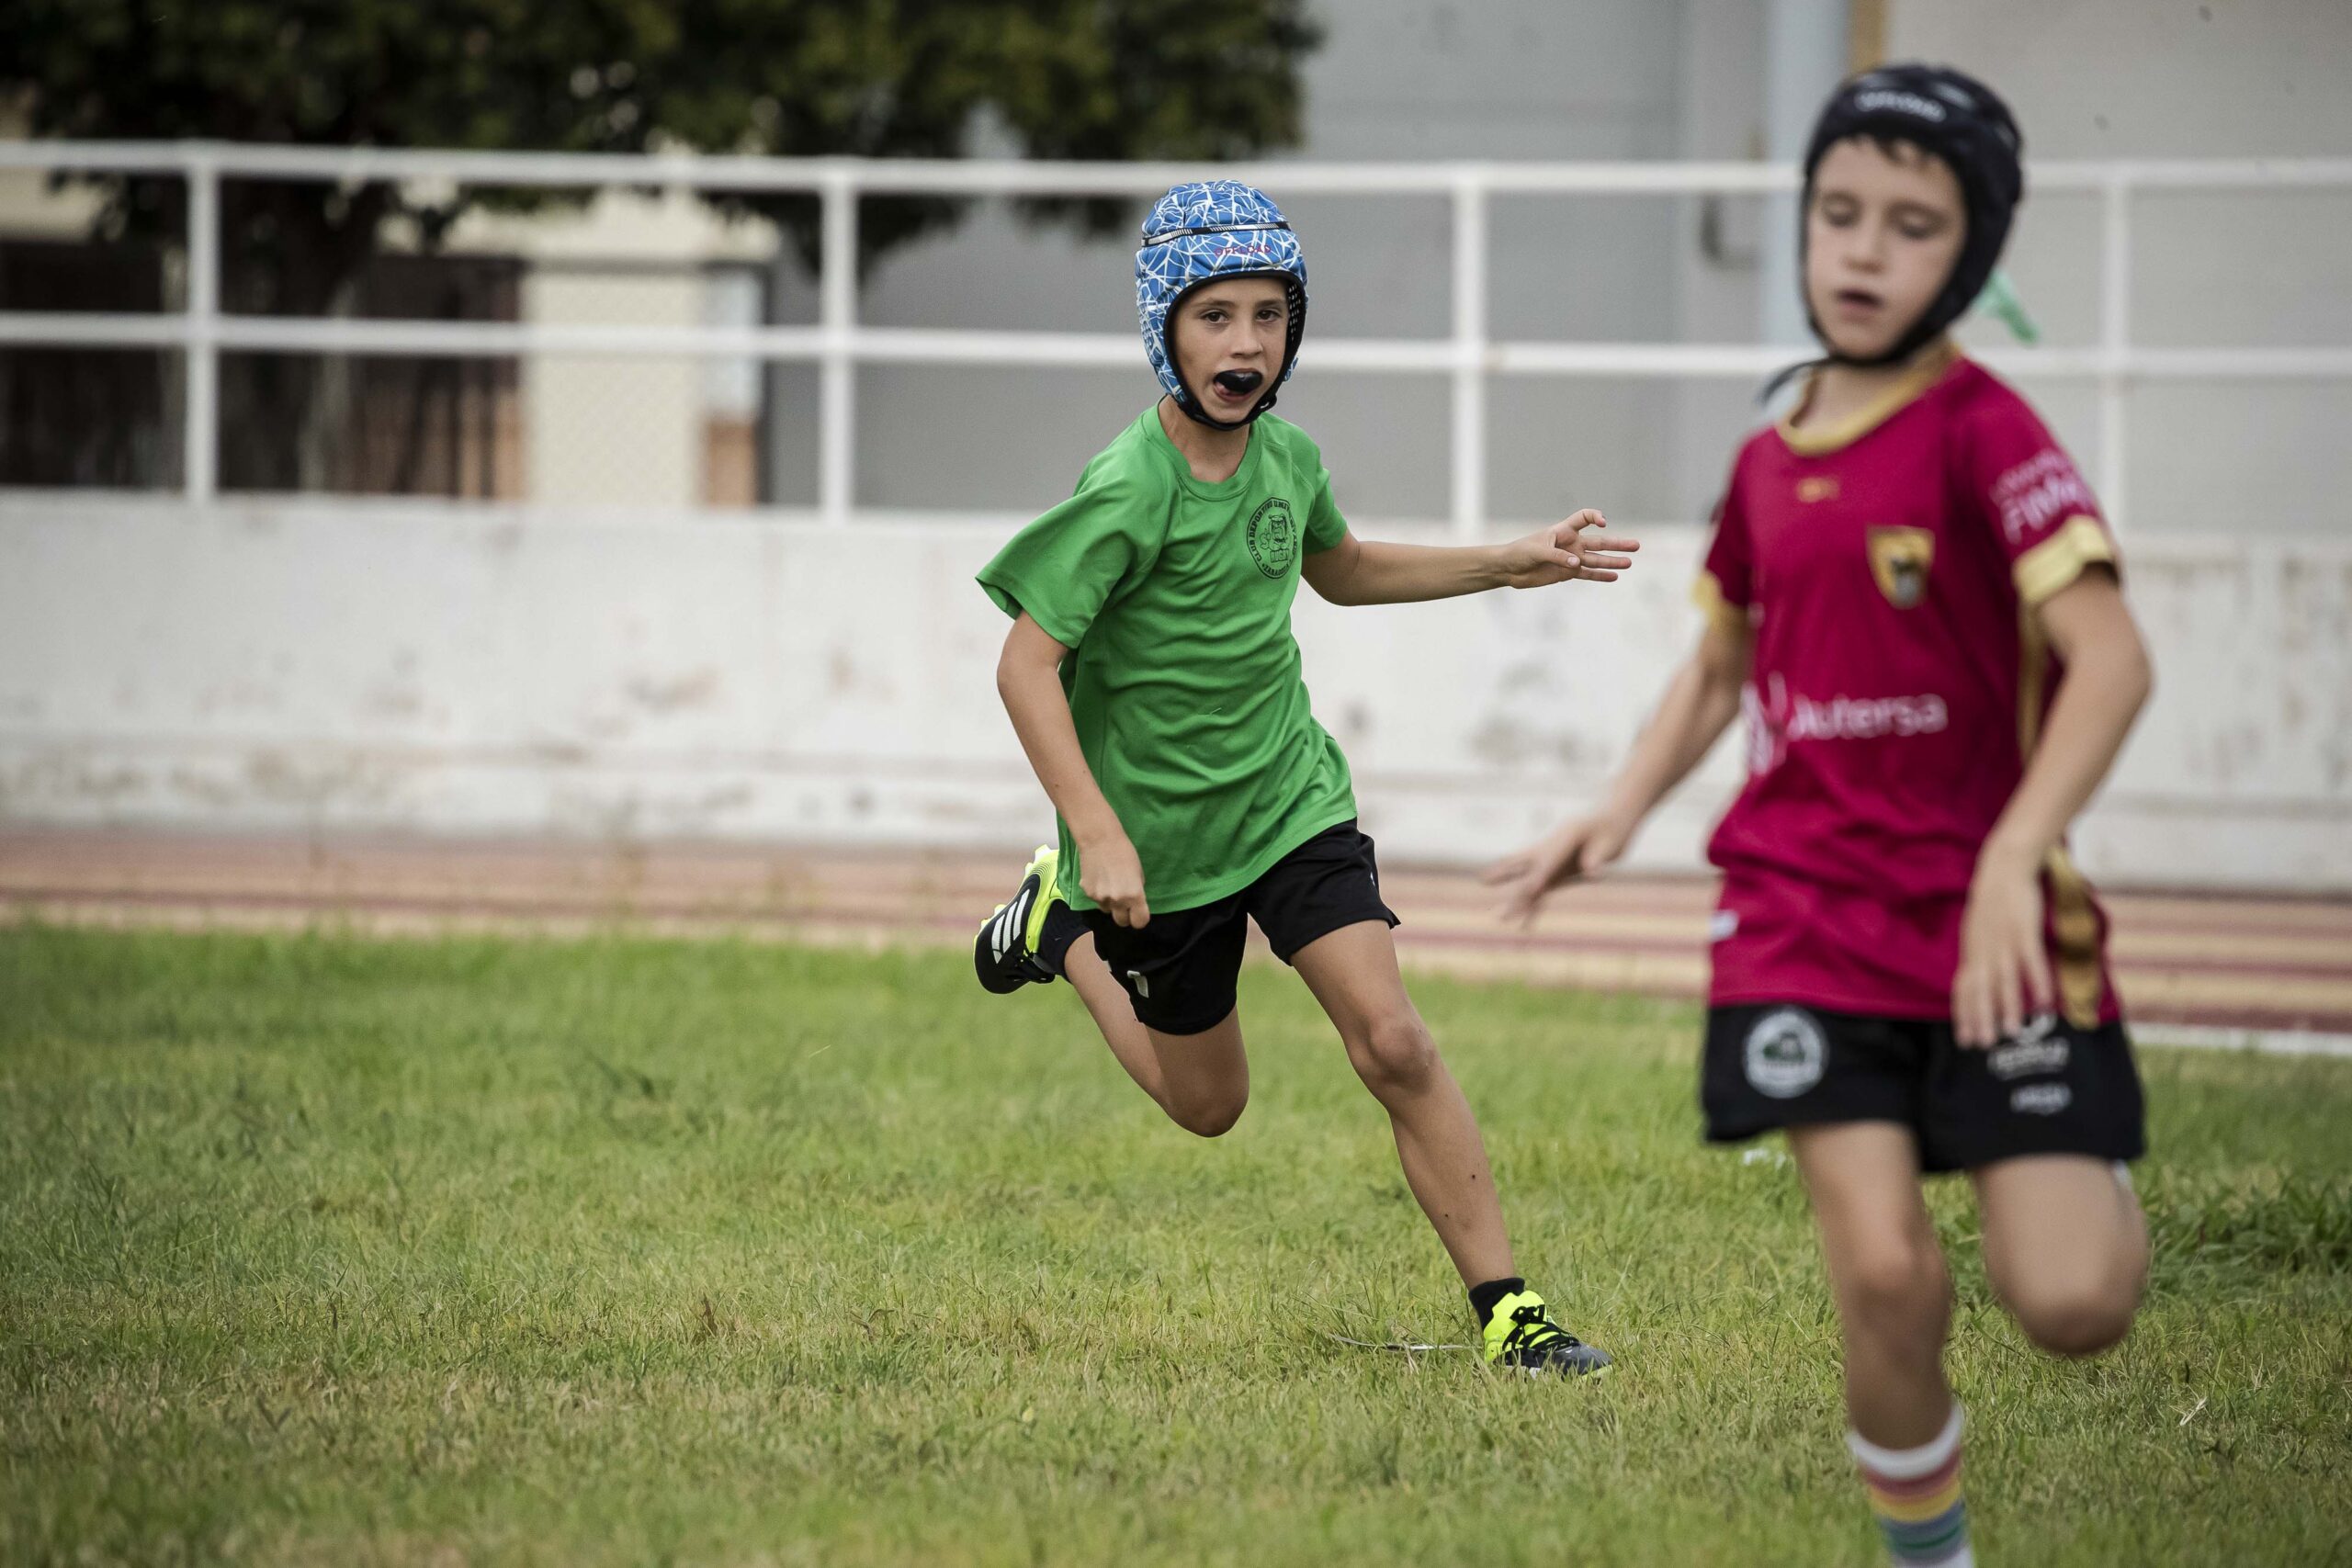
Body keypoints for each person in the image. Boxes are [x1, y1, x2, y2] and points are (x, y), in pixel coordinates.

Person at [1488, 65, 2154, 1562]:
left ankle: (2091, 1172)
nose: (1861, 252)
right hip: (1799, 918)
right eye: (1838, 214)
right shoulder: (1766, 457)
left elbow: (2111, 662)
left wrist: (2005, 865)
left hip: (1987, 925)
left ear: (1969, 255)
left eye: (1910, 226)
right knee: (1886, 1275)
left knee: (2073, 1306)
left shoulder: (1988, 433)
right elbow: (1721, 659)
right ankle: (1934, 1554)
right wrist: (1614, 814)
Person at [972, 179, 1638, 1375]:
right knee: (1209, 1107)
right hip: (1155, 844)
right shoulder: (1125, 488)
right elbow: (1026, 667)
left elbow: (1341, 570)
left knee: (1393, 1040)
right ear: (1164, 328)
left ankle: (1510, 1313)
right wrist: (1095, 836)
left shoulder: (1288, 457)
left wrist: (1507, 562)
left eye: (1268, 315)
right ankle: (1057, 927)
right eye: (1216, 315)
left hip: (1290, 803)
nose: (1245, 343)